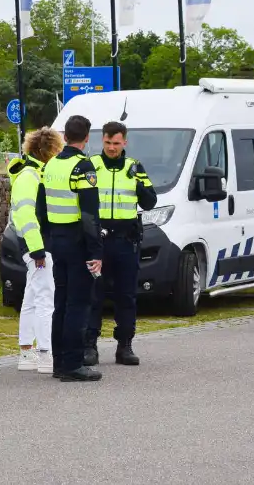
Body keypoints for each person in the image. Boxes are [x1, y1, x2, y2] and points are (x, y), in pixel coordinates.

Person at [83, 121, 157, 367]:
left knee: (126, 295)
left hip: (125, 240)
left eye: (116, 143)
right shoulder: (91, 165)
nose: (112, 148)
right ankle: (89, 346)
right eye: (107, 143)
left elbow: (149, 202)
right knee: (94, 295)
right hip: (98, 241)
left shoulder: (134, 167)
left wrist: (137, 183)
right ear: (101, 140)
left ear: (125, 142)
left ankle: (125, 345)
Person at [42, 115, 104, 382]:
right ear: (87, 137)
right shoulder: (83, 167)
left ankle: (58, 363)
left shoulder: (50, 165)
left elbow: (40, 207)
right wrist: (96, 253)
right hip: (78, 241)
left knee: (61, 303)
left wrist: (48, 240)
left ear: (65, 136)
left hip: (57, 240)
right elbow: (90, 215)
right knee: (78, 304)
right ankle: (73, 364)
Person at [10, 127, 65, 374]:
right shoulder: (31, 176)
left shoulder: (30, 173)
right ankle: (45, 354)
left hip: (34, 245)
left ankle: (27, 352)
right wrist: (38, 250)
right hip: (38, 245)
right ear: (50, 151)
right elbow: (26, 215)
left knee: (32, 297)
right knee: (45, 297)